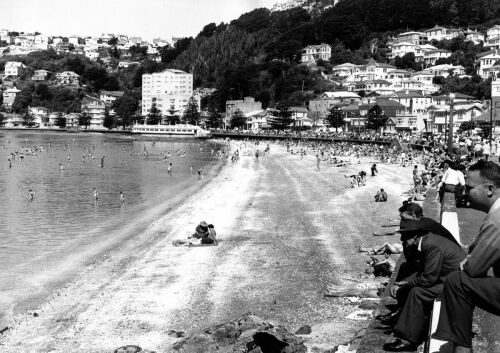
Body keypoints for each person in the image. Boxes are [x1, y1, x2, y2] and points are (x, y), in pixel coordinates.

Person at [433, 161, 500, 353]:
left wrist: (469, 261)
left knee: (457, 282)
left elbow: (474, 268)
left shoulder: (497, 218)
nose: (463, 192)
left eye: (469, 188)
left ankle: (461, 350)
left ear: (490, 189)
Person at [382, 219, 465, 352]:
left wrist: (407, 283)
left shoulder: (430, 244)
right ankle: (403, 323)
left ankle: (409, 340)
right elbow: (425, 270)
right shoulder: (427, 241)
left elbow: (428, 278)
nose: (402, 239)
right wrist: (405, 282)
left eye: (405, 236)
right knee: (409, 285)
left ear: (415, 236)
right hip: (449, 279)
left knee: (417, 293)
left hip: (456, 284)